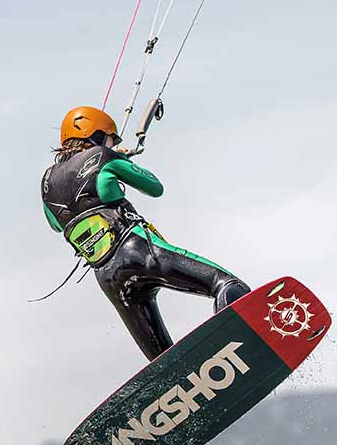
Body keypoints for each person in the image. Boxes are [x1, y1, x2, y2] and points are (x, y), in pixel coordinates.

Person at [41, 105, 250, 360]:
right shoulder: (102, 155)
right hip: (138, 250)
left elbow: (56, 224)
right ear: (96, 135)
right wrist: (121, 162)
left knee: (162, 359)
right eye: (111, 139)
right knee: (226, 284)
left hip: (108, 277)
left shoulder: (47, 182)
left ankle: (178, 380)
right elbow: (154, 187)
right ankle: (244, 345)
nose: (113, 144)